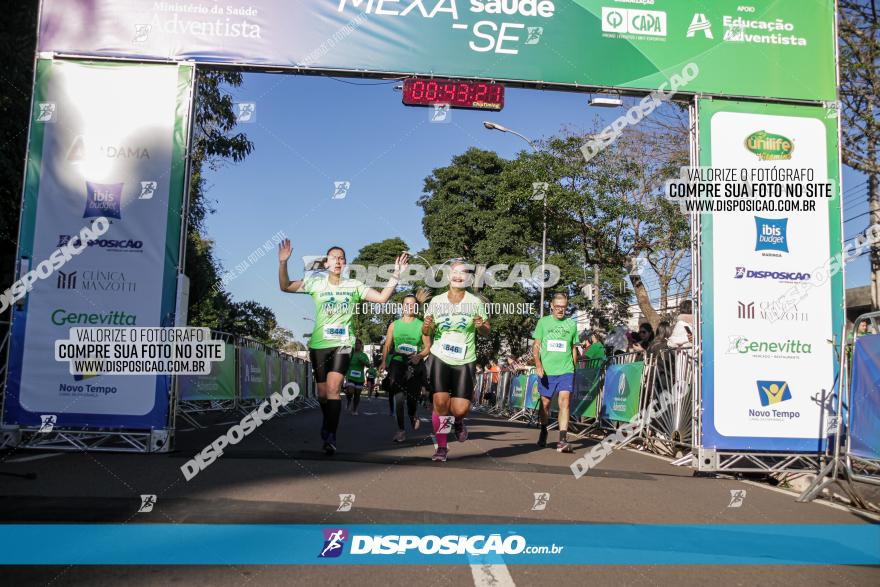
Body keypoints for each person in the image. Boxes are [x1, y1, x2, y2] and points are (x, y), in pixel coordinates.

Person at [278, 239, 408, 455]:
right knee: (322, 394)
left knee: (333, 389)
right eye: (333, 257)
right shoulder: (315, 283)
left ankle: (331, 435)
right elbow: (285, 286)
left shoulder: (354, 286)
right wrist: (283, 263)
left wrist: (396, 274)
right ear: (326, 263)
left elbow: (383, 299)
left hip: (343, 344)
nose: (338, 261)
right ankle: (327, 423)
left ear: (345, 263)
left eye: (341, 258)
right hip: (319, 344)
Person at [422, 259, 490, 462]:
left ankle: (458, 421)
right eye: (455, 273)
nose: (458, 276)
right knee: (440, 402)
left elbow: (486, 332)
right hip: (440, 355)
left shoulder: (475, 302)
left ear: (468, 278)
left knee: (460, 408)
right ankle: (442, 447)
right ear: (448, 276)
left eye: (463, 273)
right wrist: (427, 325)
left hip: (464, 358)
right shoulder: (437, 302)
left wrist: (480, 325)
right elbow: (427, 331)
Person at [532, 292, 580, 453]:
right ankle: (544, 429)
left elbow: (573, 348)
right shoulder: (543, 323)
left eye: (564, 307)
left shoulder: (571, 324)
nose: (560, 310)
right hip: (546, 371)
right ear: (551, 306)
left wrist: (573, 369)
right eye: (558, 307)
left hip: (566, 369)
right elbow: (536, 345)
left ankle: (562, 440)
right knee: (545, 404)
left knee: (564, 401)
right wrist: (538, 364)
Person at [381, 293, 430, 442]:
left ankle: (413, 415)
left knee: (411, 399)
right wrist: (384, 361)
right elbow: (388, 344)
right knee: (399, 398)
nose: (409, 306)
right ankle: (401, 430)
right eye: (406, 304)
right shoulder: (394, 325)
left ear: (416, 307)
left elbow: (428, 347)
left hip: (414, 363)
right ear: (402, 307)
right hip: (397, 362)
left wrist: (419, 356)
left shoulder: (422, 325)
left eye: (412, 304)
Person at [344, 339, 371, 416]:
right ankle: (349, 400)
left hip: (360, 378)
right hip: (350, 376)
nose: (356, 345)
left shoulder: (364, 355)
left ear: (361, 345)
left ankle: (354, 409)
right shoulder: (350, 354)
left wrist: (363, 361)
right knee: (350, 391)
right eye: (355, 344)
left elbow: (369, 365)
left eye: (358, 343)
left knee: (357, 395)